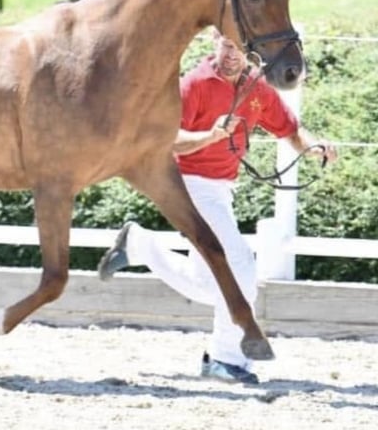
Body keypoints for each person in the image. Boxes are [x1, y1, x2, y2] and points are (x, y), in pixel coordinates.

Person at [97, 30, 337, 385]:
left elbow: (289, 130)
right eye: (226, 46)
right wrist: (210, 136)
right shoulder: (194, 84)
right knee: (239, 268)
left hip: (221, 191)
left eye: (239, 49)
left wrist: (314, 147)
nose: (232, 55)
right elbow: (167, 140)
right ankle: (225, 358)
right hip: (189, 186)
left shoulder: (257, 87)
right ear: (214, 40)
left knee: (208, 285)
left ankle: (139, 245)